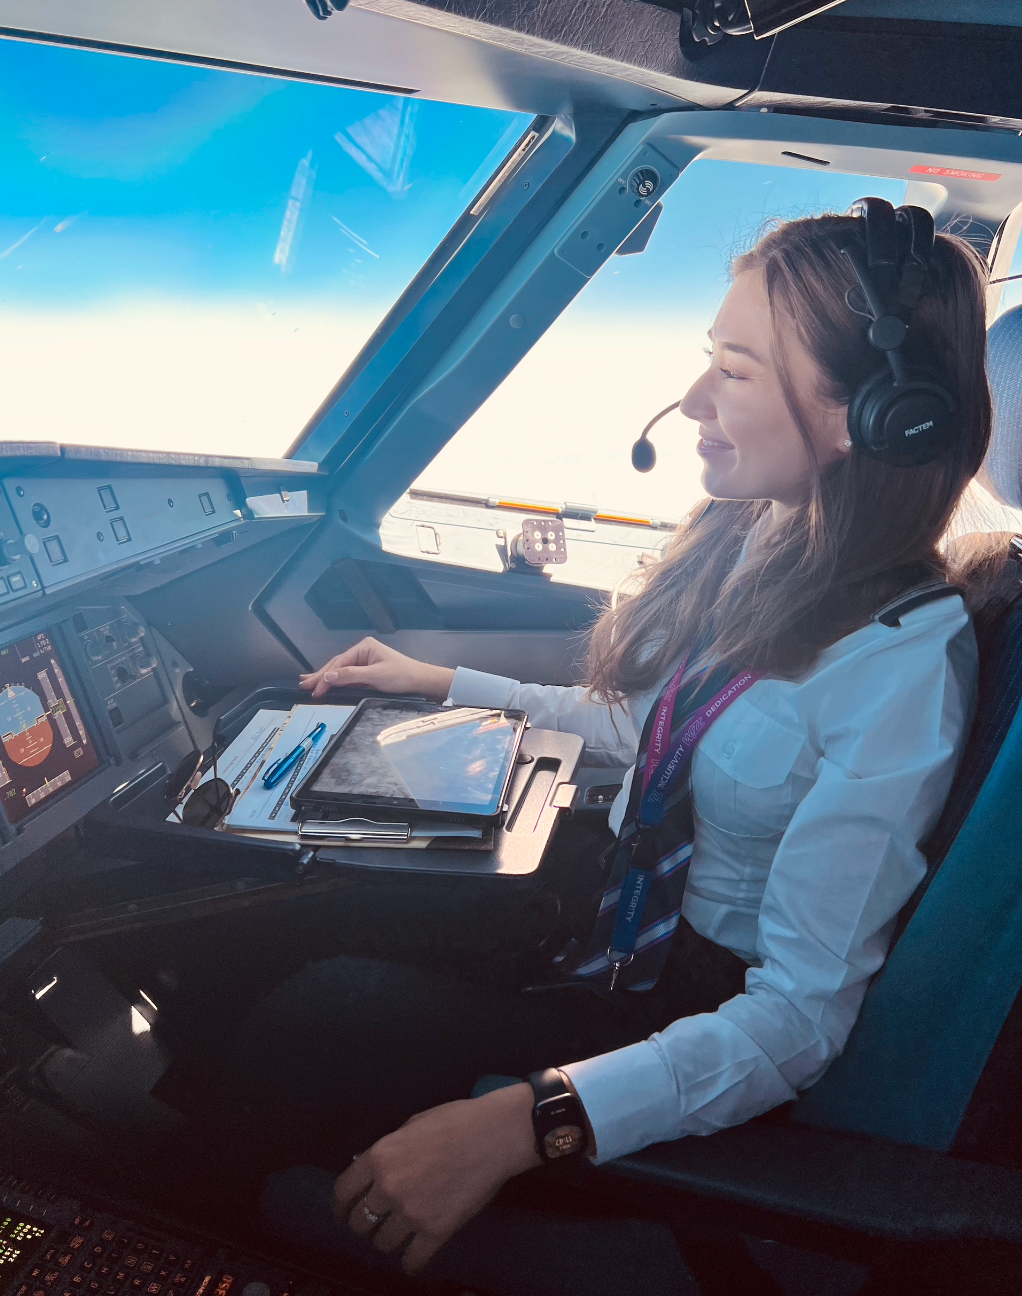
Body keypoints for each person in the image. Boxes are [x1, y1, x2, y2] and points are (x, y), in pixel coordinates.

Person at [233, 205, 990, 1283]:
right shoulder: (770, 542)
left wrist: (523, 1123)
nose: (693, 401)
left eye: (735, 370)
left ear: (867, 419)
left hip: (695, 1004)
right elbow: (651, 734)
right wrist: (442, 683)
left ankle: (180, 1220)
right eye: (708, 357)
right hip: (613, 930)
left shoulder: (900, 664)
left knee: (327, 1012)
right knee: (302, 920)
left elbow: (796, 1020)